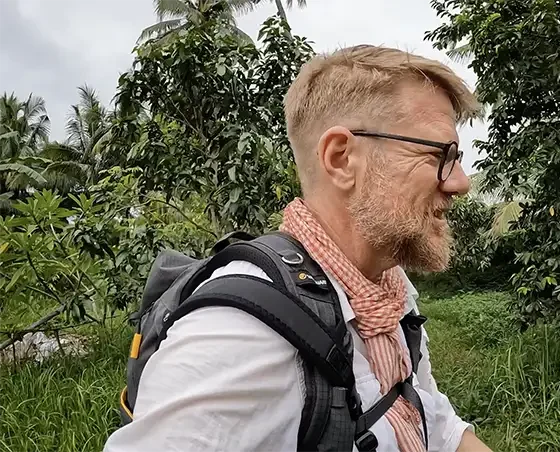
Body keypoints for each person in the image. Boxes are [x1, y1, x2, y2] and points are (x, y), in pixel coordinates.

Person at [103, 44, 493, 452]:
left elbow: (433, 418)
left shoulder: (390, 294)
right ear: (341, 159)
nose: (460, 182)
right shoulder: (240, 333)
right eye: (438, 154)